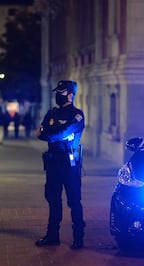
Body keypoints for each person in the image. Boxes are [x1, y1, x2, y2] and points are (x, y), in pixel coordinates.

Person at [35, 80, 85, 250]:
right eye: (58, 92)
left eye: (62, 92)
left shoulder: (77, 115)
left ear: (71, 94)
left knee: (74, 201)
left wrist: (51, 135)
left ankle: (78, 238)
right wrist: (52, 135)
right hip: (53, 162)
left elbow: (61, 132)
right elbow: (41, 133)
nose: (58, 95)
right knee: (53, 199)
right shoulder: (52, 113)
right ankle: (52, 236)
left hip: (69, 164)